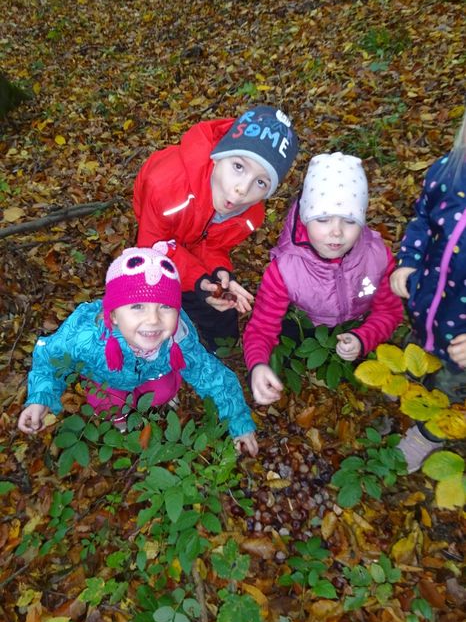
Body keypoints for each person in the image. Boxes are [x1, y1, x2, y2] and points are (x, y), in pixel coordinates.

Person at [17, 242, 259, 456]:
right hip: (106, 378)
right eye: (137, 307)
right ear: (113, 314)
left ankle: (161, 396)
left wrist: (240, 425)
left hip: (154, 373)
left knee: (163, 391)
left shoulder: (177, 339)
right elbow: (49, 358)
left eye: (165, 306)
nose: (153, 320)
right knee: (103, 401)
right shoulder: (86, 338)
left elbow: (213, 377)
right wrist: (40, 398)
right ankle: (119, 418)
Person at [133, 104, 298, 352]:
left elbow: (212, 245)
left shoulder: (249, 214)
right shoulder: (164, 187)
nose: (242, 189)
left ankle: (221, 350)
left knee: (218, 309)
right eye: (238, 167)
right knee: (152, 294)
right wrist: (197, 280)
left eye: (261, 182)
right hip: (159, 230)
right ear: (218, 156)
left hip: (191, 235)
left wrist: (218, 272)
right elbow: (153, 247)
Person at [243, 152, 404, 405]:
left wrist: (363, 338)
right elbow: (262, 326)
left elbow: (390, 312)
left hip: (358, 321)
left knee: (375, 360)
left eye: (349, 220)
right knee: (284, 346)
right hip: (307, 322)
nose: (336, 232)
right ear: (305, 219)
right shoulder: (285, 270)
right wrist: (258, 364)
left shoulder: (377, 257)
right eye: (323, 219)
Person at [390, 111, 466, 472]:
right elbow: (422, 219)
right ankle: (411, 379)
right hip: (426, 304)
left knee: (451, 387)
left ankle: (427, 434)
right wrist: (408, 261)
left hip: (461, 340)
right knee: (418, 345)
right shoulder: (448, 173)